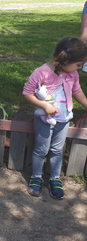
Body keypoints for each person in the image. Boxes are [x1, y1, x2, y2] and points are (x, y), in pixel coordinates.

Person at [23, 37, 87, 199]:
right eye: (78, 64)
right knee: (41, 149)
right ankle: (36, 176)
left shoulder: (72, 74)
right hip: (44, 120)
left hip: (63, 120)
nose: (79, 68)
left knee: (57, 150)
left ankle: (54, 178)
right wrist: (44, 106)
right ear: (66, 60)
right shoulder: (42, 72)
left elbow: (77, 91)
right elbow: (27, 93)